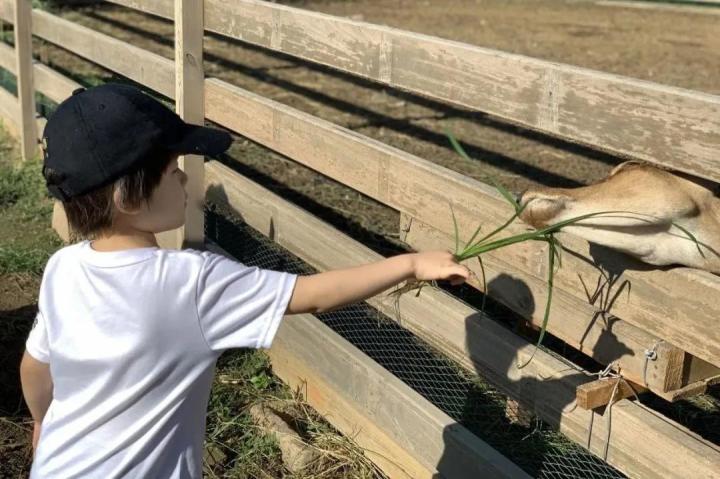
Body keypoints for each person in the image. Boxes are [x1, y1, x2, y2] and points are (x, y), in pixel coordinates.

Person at [19, 83, 470, 478]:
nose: (182, 177)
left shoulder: (64, 268)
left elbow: (36, 369)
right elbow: (311, 296)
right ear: (128, 196)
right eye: (172, 169)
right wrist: (408, 265)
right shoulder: (191, 283)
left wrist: (43, 424)